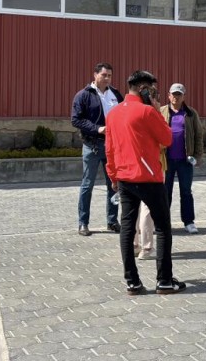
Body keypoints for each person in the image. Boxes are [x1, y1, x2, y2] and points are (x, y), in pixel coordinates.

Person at [105, 70, 186, 296]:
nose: (154, 93)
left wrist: (113, 176)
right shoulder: (147, 112)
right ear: (143, 88)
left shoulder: (113, 114)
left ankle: (132, 281)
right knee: (163, 227)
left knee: (127, 228)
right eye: (151, 89)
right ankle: (164, 280)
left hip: (124, 178)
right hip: (148, 178)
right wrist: (154, 108)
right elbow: (168, 138)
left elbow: (109, 149)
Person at [71, 63, 123, 236]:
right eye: (103, 75)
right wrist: (97, 128)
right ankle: (83, 223)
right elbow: (76, 120)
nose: (107, 78)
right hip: (92, 145)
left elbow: (125, 114)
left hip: (113, 146)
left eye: (109, 75)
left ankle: (112, 221)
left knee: (113, 185)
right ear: (95, 75)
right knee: (87, 185)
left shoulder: (115, 94)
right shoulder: (83, 95)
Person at [161, 83, 205, 234]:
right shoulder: (162, 112)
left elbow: (199, 135)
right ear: (168, 95)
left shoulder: (191, 113)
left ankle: (189, 221)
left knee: (186, 192)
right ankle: (163, 221)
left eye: (179, 94)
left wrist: (198, 156)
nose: (176, 96)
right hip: (166, 160)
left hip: (185, 161)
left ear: (183, 96)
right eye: (173, 94)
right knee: (165, 192)